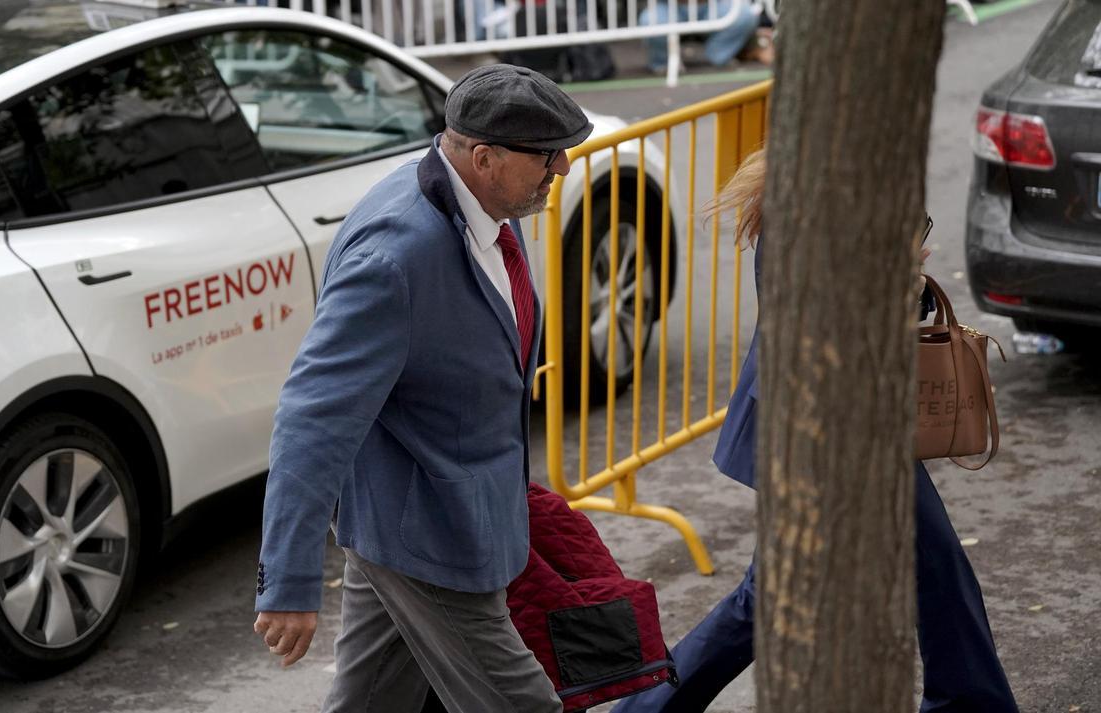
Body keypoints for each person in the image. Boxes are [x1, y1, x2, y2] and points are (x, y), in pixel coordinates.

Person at [612, 148, 1020, 713]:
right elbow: (824, 319)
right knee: (892, 574)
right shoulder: (818, 196)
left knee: (912, 570)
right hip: (823, 427)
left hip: (836, 420)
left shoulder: (830, 177)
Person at [252, 63, 593, 713]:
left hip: (436, 515)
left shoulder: (493, 201)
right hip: (430, 535)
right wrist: (289, 581)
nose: (564, 170)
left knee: (370, 703)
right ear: (485, 157)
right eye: (550, 157)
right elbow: (312, 416)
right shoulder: (395, 254)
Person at [638, 1, 769, 73]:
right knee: (650, 21)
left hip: (713, 4)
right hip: (669, 6)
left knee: (745, 13)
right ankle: (663, 62)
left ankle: (719, 54)